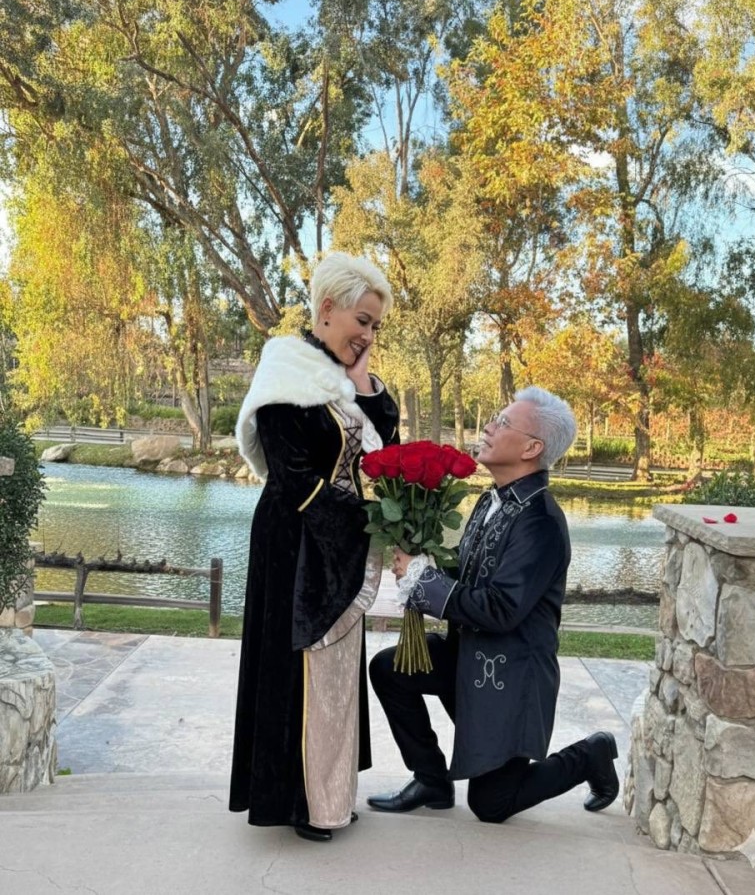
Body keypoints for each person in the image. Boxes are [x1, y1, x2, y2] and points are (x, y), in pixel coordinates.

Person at [367, 387, 619, 824]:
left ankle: (590, 755)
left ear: (531, 448)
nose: (488, 427)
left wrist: (424, 582)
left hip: (509, 676)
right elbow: (475, 575)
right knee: (390, 668)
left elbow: (501, 608)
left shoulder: (540, 521)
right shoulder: (493, 500)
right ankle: (431, 779)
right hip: (468, 656)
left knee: (491, 804)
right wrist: (424, 560)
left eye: (502, 422)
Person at [229, 252, 399, 842]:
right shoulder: (285, 372)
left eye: (375, 325)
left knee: (336, 673)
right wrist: (370, 524)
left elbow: (383, 450)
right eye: (362, 321)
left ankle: (331, 794)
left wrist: (363, 382)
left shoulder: (341, 381)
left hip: (339, 542)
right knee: (298, 670)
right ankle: (298, 801)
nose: (368, 334)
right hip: (296, 544)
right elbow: (294, 477)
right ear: (327, 308)